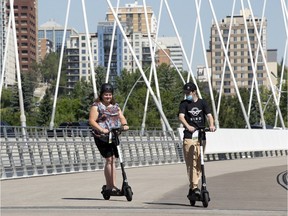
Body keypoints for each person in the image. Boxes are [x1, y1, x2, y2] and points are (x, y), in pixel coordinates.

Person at [89, 83, 129, 195]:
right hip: (101, 137)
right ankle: (109, 186)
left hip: (113, 135)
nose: (108, 97)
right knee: (109, 159)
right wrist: (102, 130)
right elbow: (92, 121)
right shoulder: (96, 106)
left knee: (114, 160)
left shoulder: (115, 106)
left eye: (110, 94)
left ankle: (113, 186)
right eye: (106, 94)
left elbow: (121, 117)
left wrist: (125, 125)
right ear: (101, 95)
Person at [178, 82, 216, 199]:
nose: (187, 95)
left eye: (188, 93)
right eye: (185, 93)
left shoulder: (202, 102)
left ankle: (194, 187)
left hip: (201, 136)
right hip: (189, 136)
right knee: (191, 163)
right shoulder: (184, 104)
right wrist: (187, 126)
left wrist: (211, 125)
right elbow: (181, 116)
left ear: (194, 92)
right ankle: (194, 187)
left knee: (199, 162)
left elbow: (209, 115)